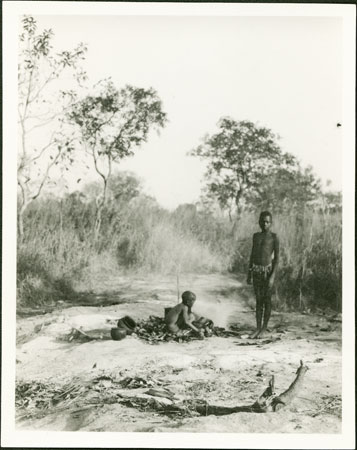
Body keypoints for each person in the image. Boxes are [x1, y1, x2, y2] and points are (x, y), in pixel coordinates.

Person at [247, 211, 279, 338]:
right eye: (262, 221)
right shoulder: (256, 236)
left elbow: (276, 259)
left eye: (267, 222)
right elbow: (252, 255)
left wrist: (272, 276)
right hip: (256, 271)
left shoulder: (274, 237)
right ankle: (258, 328)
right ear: (259, 222)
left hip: (267, 272)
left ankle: (264, 328)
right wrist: (249, 273)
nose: (264, 224)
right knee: (258, 300)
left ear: (271, 223)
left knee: (267, 300)